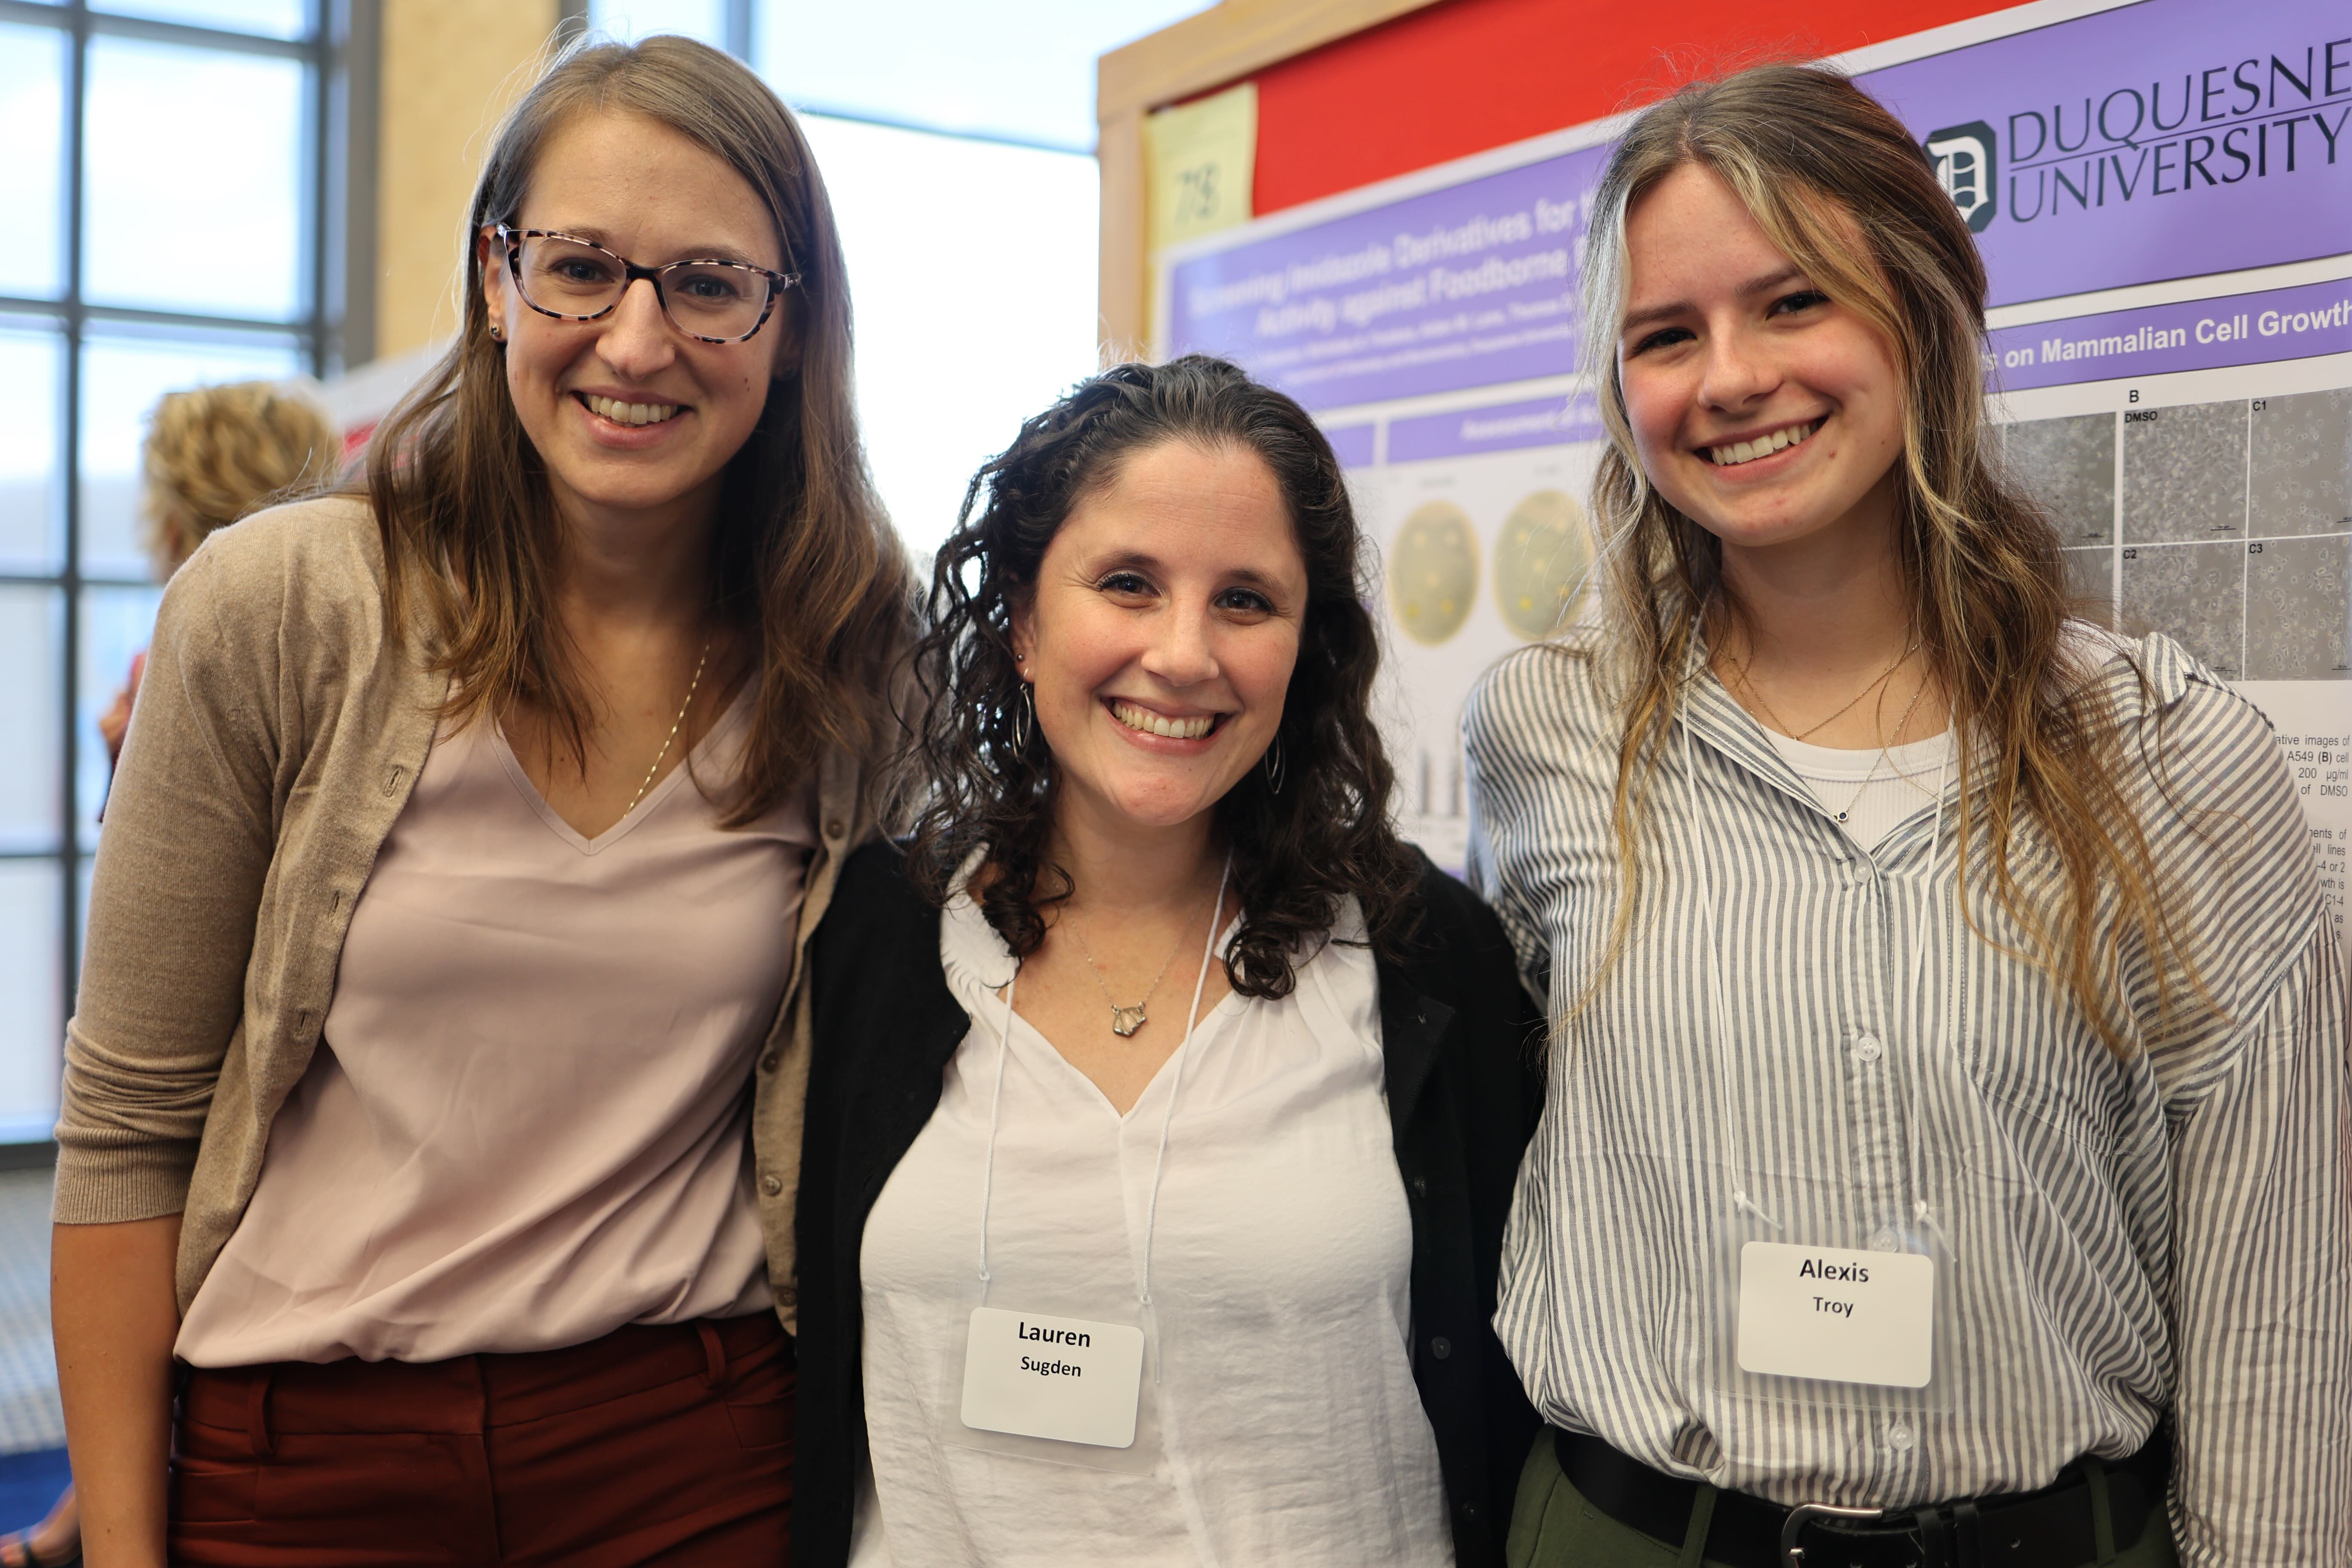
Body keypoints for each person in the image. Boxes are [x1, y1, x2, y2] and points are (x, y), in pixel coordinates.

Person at [1466, 63, 2349, 1568]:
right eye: (1665, 336)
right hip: (1632, 1531)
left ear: (1928, 312)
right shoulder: (1549, 731)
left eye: (1793, 301)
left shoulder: (2169, 754)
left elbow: (2277, 1300)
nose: (1730, 375)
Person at [52, 34, 910, 1568]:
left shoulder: (846, 650)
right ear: (494, 281)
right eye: (581, 267)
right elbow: (127, 1129)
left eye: (708, 283)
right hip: (302, 1453)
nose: (635, 342)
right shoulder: (282, 607)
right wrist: (116, 1532)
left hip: (689, 1446)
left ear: (791, 326)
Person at [793, 355, 1544, 1567]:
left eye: (1246, 600)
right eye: (1129, 584)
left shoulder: (1424, 956)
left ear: (1306, 646)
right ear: (1027, 623)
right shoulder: (876, 937)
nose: (1185, 655)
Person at [12, 383, 336, 1568]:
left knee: (155, 1241)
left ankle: (79, 1522)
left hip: (230, 1045)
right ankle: (77, 1521)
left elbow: (172, 933)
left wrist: (119, 766)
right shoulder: (345, 626)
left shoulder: (204, 638)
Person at [96, 381, 341, 767]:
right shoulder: (351, 636)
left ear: (172, 530)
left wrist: (127, 767)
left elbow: (167, 827)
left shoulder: (174, 663)